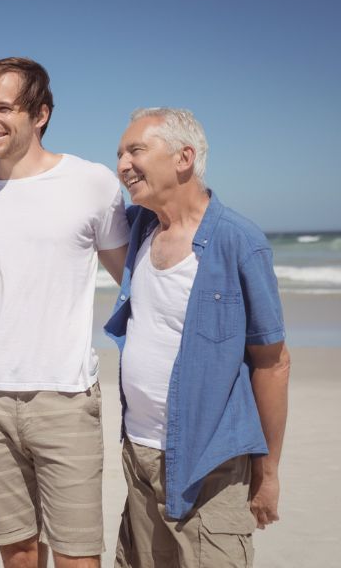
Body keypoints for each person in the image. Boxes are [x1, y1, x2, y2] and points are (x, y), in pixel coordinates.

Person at [0, 57, 129, 568]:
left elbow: (133, 280)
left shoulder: (92, 182)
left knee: (76, 555)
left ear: (40, 113)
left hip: (62, 392)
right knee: (18, 552)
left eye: (3, 107)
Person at [105, 108, 290, 567]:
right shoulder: (142, 228)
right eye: (120, 154)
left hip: (211, 465)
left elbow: (272, 362)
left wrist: (268, 475)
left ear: (184, 158)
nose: (123, 164)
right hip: (139, 454)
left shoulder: (239, 241)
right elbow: (62, 211)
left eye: (136, 151)